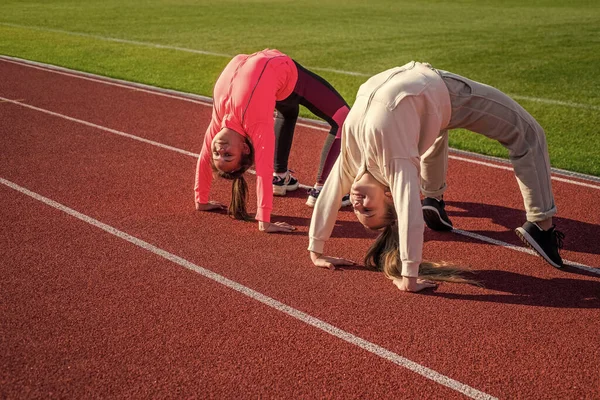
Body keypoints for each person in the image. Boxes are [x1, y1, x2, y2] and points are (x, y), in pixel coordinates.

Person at [308, 61, 564, 292]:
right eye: (368, 210)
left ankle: (433, 198)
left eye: (358, 212)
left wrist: (316, 249)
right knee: (529, 133)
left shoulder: (354, 157)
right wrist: (409, 275)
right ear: (389, 196)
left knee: (430, 131)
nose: (356, 205)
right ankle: (542, 226)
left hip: (422, 104)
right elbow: (409, 212)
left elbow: (330, 192)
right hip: (449, 96)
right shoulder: (395, 162)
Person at [194, 49, 351, 233]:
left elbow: (204, 157)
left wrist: (201, 200)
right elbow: (262, 170)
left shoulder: (219, 121)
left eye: (217, 154)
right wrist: (264, 221)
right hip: (289, 77)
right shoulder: (256, 123)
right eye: (228, 155)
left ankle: (280, 177)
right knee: (344, 118)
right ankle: (323, 188)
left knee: (288, 111)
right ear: (245, 148)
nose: (220, 149)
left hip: (275, 83)